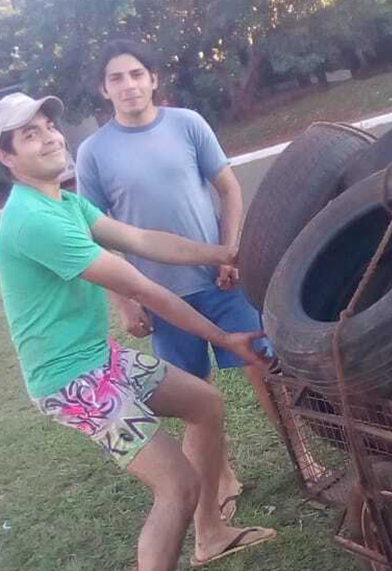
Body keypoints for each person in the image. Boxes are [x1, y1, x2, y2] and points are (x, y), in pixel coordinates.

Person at [0, 92, 276, 571]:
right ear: (6, 157)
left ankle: (211, 534)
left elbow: (147, 242)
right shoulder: (32, 221)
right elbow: (144, 286)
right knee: (176, 486)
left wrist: (229, 249)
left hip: (100, 358)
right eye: (29, 134)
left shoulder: (67, 204)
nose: (49, 137)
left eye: (50, 124)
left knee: (206, 404)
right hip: (70, 380)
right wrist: (224, 339)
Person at [76, 39, 281, 521]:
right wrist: (126, 302)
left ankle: (302, 455)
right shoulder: (93, 153)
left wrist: (232, 252)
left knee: (266, 370)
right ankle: (223, 477)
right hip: (161, 300)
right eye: (116, 78)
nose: (127, 85)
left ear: (152, 78)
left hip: (224, 285)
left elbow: (228, 189)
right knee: (197, 400)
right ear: (104, 89)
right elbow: (95, 237)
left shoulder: (187, 124)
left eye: (135, 74)